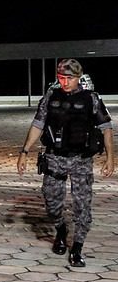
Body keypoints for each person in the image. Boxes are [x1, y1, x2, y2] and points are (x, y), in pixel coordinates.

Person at [17, 58, 113, 267]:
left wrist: (110, 158)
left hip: (81, 160)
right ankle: (61, 230)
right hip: (55, 158)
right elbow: (38, 124)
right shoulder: (51, 97)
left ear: (78, 77)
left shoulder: (91, 98)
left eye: (69, 78)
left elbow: (106, 128)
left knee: (82, 206)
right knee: (51, 202)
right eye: (61, 77)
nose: (65, 82)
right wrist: (24, 151)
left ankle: (77, 247)